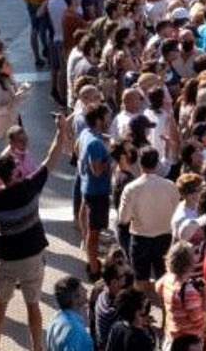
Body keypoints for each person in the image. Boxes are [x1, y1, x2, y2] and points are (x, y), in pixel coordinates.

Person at [0, 112, 72, 351]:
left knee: (0, 303)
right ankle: (37, 348)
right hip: (32, 255)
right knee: (33, 305)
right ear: (13, 173)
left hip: (6, 257)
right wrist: (60, 130)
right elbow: (52, 158)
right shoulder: (30, 187)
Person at [117, 147, 177, 291]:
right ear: (157, 164)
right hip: (165, 239)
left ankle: (140, 310)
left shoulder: (131, 188)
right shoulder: (170, 186)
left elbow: (123, 219)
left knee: (140, 283)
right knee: (165, 283)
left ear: (139, 163)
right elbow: (176, 214)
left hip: (140, 239)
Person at [78, 103, 113, 280]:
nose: (109, 119)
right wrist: (111, 155)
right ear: (99, 120)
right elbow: (97, 170)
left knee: (85, 223)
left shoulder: (85, 133)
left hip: (86, 187)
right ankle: (94, 269)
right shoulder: (97, 144)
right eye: (106, 117)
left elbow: (77, 149)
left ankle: (89, 257)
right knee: (94, 233)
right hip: (97, 193)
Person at [155, 242, 206, 346]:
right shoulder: (188, 291)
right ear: (189, 263)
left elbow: (157, 288)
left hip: (172, 335)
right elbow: (197, 319)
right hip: (188, 341)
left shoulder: (167, 279)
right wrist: (205, 295)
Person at [45, 276, 92, 351]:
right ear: (74, 298)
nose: (86, 290)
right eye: (82, 289)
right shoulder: (76, 331)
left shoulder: (55, 317)